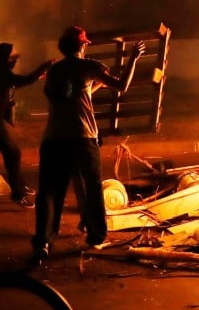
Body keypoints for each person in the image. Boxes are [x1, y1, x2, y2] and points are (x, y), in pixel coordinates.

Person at [29, 26, 144, 266]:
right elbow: (121, 86)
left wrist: (96, 82)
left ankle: (43, 242)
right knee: (92, 188)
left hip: (53, 140)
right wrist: (133, 58)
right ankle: (96, 236)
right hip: (82, 138)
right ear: (82, 45)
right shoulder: (88, 66)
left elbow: (76, 95)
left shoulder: (55, 70)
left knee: (49, 192)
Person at [0, 42, 54, 209]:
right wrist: (44, 67)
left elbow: (17, 81)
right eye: (13, 58)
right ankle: (18, 195)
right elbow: (25, 80)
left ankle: (20, 186)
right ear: (5, 59)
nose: (15, 61)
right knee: (12, 152)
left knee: (12, 152)